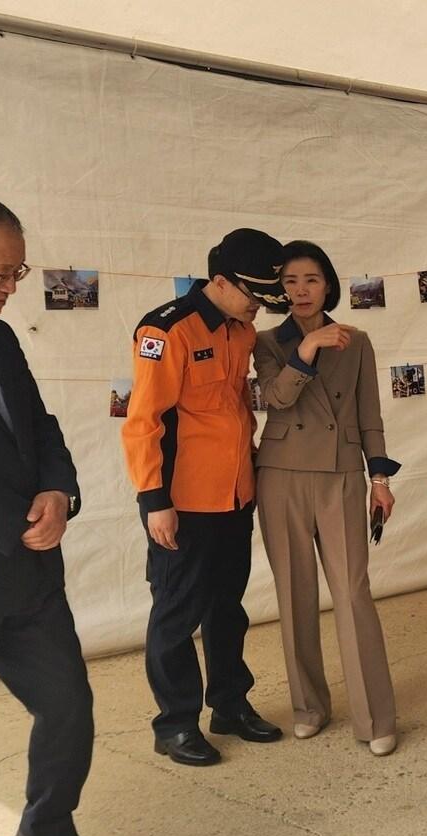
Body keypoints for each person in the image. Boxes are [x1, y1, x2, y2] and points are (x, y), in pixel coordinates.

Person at [0, 198, 113, 836]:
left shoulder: (1, 339)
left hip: (30, 577)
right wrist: (15, 523)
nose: (9, 287)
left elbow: (41, 426)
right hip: (4, 547)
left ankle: (47, 824)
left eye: (16, 272)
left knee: (68, 701)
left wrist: (59, 490)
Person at [121, 229, 287, 766]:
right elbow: (144, 421)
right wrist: (153, 500)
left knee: (226, 609)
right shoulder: (166, 329)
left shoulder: (239, 330)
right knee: (175, 615)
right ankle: (174, 724)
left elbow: (233, 408)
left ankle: (229, 705)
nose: (258, 306)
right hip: (184, 503)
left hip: (235, 497)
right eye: (253, 295)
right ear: (220, 282)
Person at [252, 241, 400, 756]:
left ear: (328, 284)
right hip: (280, 475)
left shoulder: (357, 341)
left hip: (341, 475)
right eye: (290, 281)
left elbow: (369, 415)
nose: (300, 290)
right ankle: (308, 706)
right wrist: (308, 349)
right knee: (294, 595)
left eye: (310, 279)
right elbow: (275, 397)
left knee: (354, 592)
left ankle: (376, 717)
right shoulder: (267, 341)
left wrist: (379, 479)